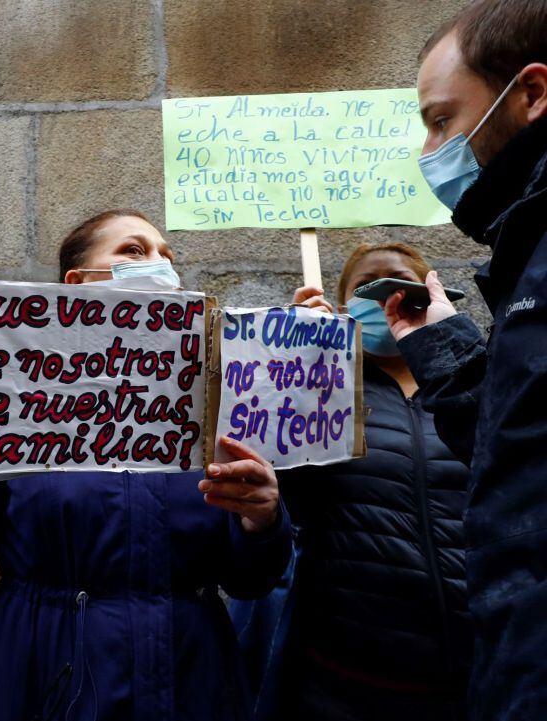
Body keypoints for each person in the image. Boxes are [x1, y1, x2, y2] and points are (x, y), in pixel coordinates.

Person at [0, 209, 291, 720]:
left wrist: (263, 521)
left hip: (189, 677)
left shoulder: (212, 397)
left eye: (166, 255)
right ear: (76, 283)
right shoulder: (10, 394)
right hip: (44, 676)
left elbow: (248, 581)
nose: (159, 264)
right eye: (133, 251)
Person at [382, 2, 547, 718]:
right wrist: (443, 345)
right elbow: (516, 453)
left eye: (443, 120)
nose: (429, 150)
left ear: (532, 94)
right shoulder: (525, 255)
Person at [232, 243, 472, 721]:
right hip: (348, 678)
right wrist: (293, 365)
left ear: (431, 293)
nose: (385, 299)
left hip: (479, 670)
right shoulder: (324, 396)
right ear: (341, 307)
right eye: (365, 288)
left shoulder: (473, 387)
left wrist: (448, 354)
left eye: (399, 282)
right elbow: (278, 497)